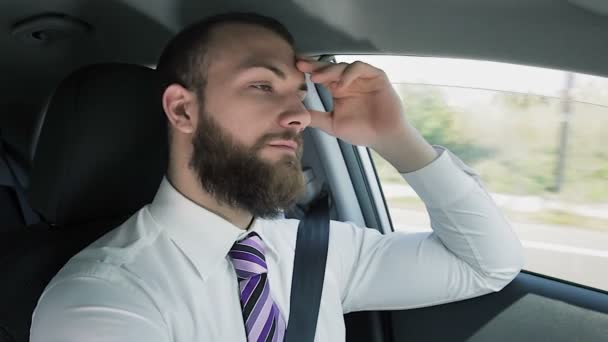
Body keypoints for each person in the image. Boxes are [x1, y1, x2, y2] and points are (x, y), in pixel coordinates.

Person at [30, 12, 523, 342]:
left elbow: (486, 265)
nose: (298, 115)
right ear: (183, 108)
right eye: (262, 85)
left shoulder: (316, 252)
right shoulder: (101, 302)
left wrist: (393, 136)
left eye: (300, 92)